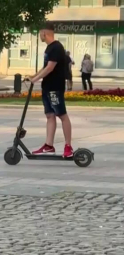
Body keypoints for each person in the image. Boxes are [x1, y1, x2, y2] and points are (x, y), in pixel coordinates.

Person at [28, 23, 75, 158]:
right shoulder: (49, 48)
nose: (40, 36)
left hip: (55, 88)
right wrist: (33, 76)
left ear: (44, 33)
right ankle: (49, 146)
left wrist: (35, 80)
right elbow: (44, 67)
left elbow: (50, 68)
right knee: (50, 115)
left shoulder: (56, 47)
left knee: (62, 115)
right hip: (47, 87)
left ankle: (68, 146)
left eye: (40, 33)